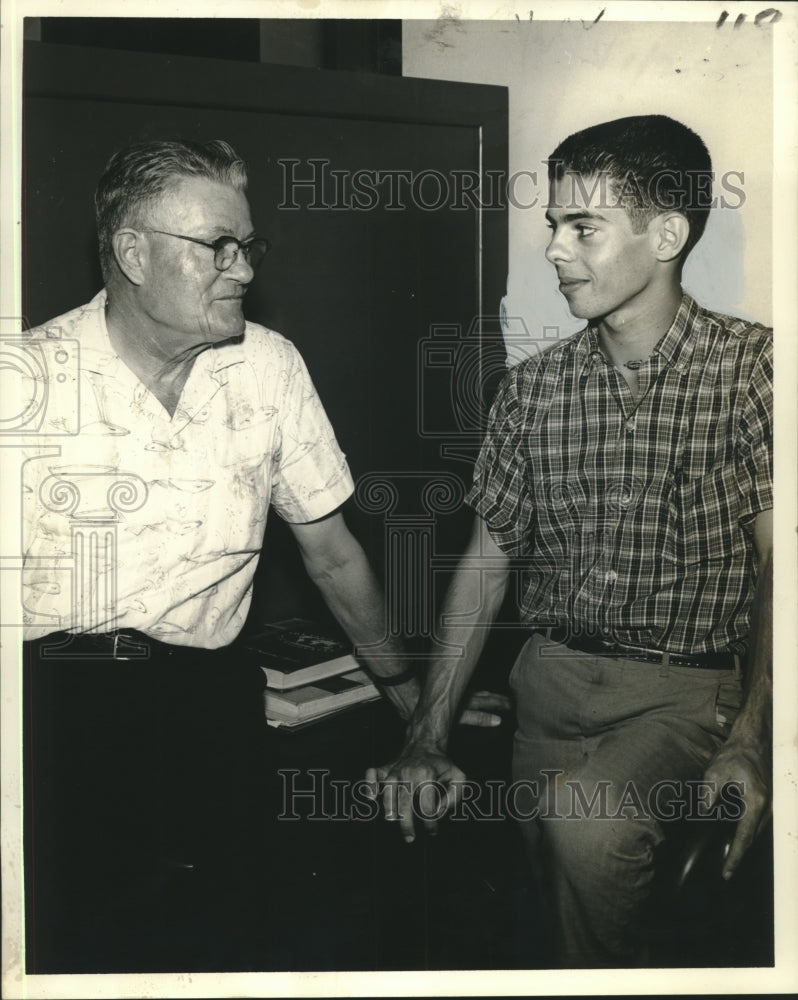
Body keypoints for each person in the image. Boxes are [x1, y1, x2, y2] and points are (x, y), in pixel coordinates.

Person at [20, 138, 502, 972]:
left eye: (248, 246)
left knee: (224, 937)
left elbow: (333, 556)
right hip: (51, 711)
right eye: (218, 246)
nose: (242, 268)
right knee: (70, 948)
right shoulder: (23, 382)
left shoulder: (269, 367)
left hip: (209, 704)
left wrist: (410, 698)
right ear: (133, 253)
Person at [369, 115, 773, 968]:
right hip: (543, 686)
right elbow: (484, 565)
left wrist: (754, 740)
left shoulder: (756, 371)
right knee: (552, 907)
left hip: (686, 693)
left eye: (582, 226)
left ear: (666, 234)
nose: (555, 248)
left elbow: (787, 563)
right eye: (553, 224)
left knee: (585, 830)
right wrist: (426, 737)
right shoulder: (531, 389)